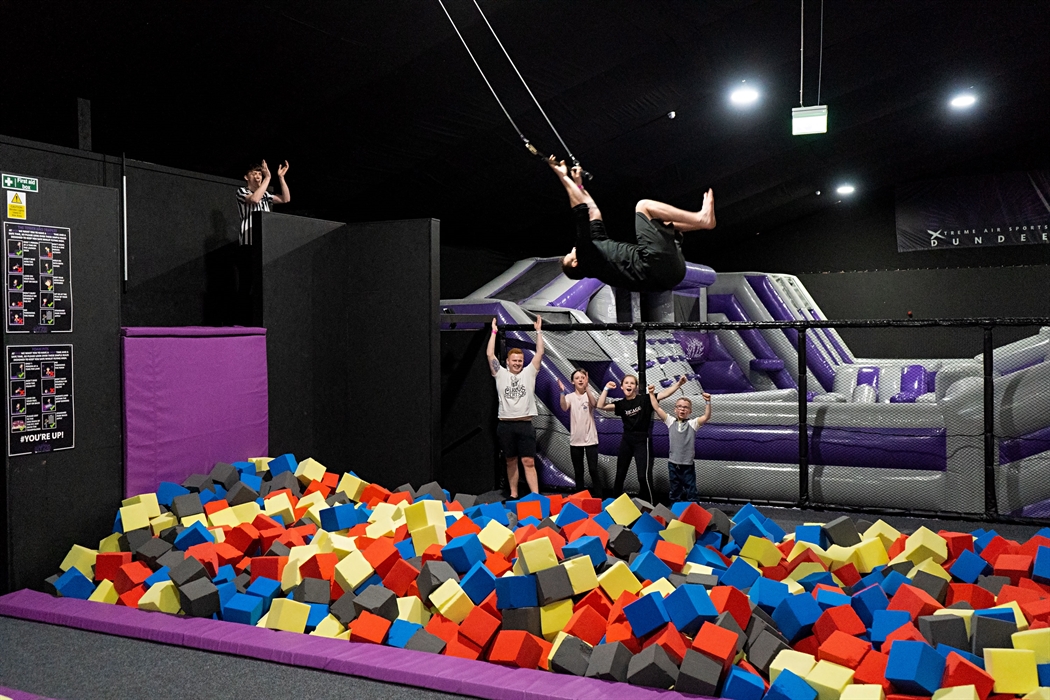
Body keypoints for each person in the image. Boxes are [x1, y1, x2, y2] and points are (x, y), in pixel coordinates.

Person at [548, 157, 715, 292]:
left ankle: (701, 224)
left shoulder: (599, 252)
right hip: (655, 267)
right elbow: (580, 210)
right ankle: (701, 219)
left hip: (672, 274)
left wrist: (578, 184)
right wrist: (562, 176)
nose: (572, 249)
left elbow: (593, 211)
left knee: (659, 222)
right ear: (575, 263)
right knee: (644, 206)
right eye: (570, 254)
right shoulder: (587, 259)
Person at [597, 374, 687, 503]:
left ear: (636, 387)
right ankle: (615, 504)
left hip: (641, 440)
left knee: (642, 476)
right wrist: (606, 388)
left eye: (632, 383)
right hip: (626, 440)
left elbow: (664, 394)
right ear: (622, 387)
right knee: (620, 474)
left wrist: (679, 384)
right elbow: (600, 405)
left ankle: (649, 504)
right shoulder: (621, 404)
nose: (629, 385)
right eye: (626, 383)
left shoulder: (645, 399)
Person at [486, 315, 544, 498]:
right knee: (510, 461)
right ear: (508, 362)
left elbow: (540, 353)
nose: (517, 363)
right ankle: (513, 494)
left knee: (528, 461)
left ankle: (536, 496)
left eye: (520, 360)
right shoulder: (500, 374)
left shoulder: (529, 373)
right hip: (505, 425)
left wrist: (538, 332)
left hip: (525, 425)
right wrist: (493, 332)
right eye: (514, 360)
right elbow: (490, 355)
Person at [649, 386, 711, 502]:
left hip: (687, 464)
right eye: (679, 407)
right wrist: (651, 393)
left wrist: (707, 402)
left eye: (686, 407)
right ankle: (674, 509)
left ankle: (694, 509)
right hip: (673, 463)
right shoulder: (670, 421)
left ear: (690, 411)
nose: (682, 409)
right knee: (675, 489)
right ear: (675, 409)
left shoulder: (693, 424)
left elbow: (706, 416)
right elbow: (657, 408)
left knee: (691, 490)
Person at [557, 369, 603, 496]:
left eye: (582, 377)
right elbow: (564, 407)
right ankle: (580, 498)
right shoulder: (570, 397)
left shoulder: (589, 395)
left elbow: (594, 404)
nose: (580, 380)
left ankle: (599, 498)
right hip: (576, 440)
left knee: (593, 470)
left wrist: (587, 388)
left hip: (591, 439)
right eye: (577, 378)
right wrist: (561, 392)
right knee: (578, 471)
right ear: (573, 381)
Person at [236, 160, 290, 245]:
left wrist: (281, 177)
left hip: (265, 237)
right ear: (246, 177)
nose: (258, 177)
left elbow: (285, 199)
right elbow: (254, 199)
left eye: (260, 174)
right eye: (254, 174)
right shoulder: (242, 191)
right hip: (249, 238)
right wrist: (267, 178)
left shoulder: (265, 194)